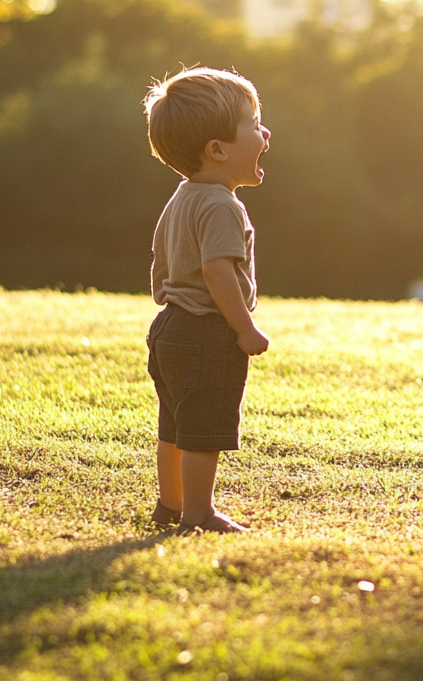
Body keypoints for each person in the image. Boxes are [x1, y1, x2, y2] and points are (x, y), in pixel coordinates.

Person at [142, 67, 271, 535]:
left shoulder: (182, 198)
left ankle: (170, 503)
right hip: (206, 330)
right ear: (217, 150)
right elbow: (219, 271)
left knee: (175, 424)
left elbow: (163, 262)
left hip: (170, 327)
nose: (265, 134)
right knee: (204, 429)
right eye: (254, 125)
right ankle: (198, 514)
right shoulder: (222, 204)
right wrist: (243, 329)